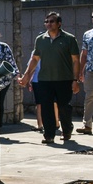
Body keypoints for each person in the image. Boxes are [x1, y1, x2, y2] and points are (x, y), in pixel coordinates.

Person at [19, 11, 80, 144]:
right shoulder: (40, 39)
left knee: (64, 107)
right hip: (44, 80)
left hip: (64, 79)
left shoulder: (69, 39)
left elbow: (76, 60)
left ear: (59, 24)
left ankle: (67, 129)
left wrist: (75, 80)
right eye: (46, 21)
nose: (48, 24)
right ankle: (49, 134)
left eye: (52, 21)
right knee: (46, 107)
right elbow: (35, 59)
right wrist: (26, 75)